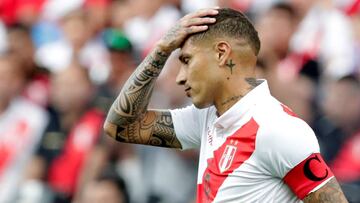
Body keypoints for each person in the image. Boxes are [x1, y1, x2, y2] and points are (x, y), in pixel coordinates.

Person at [104, 8, 348, 202]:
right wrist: (159, 51)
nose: (180, 77)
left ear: (221, 53)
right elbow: (120, 126)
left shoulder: (277, 129)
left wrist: (163, 49)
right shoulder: (206, 118)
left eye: (187, 61)